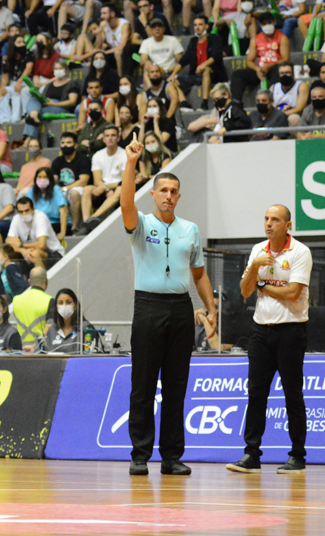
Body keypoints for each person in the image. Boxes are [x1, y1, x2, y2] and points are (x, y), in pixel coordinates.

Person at [121, 141, 216, 478]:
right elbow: (126, 203)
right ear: (153, 194)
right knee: (143, 385)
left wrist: (210, 308)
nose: (169, 196)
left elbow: (199, 274)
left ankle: (172, 457)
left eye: (174, 191)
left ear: (179, 196)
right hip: (148, 307)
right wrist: (131, 163)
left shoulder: (190, 229)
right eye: (163, 190)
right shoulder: (141, 224)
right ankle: (139, 455)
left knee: (176, 386)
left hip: (180, 309)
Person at [226, 205, 311, 474]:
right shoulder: (257, 251)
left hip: (291, 331)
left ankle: (297, 456)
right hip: (260, 331)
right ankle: (251, 455)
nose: (269, 224)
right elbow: (245, 291)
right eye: (266, 219)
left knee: (292, 394)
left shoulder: (300, 252)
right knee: (256, 394)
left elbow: (293, 293)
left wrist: (262, 285)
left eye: (275, 219)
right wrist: (254, 267)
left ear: (288, 225)